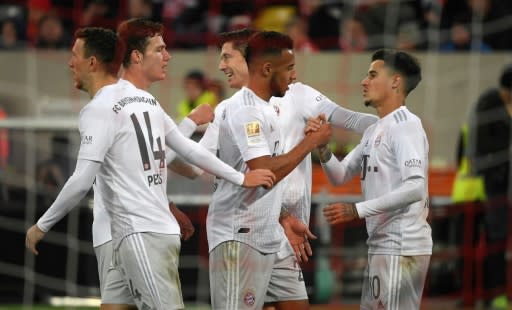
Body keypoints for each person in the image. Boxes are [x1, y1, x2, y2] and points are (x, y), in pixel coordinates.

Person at [25, 21, 275, 309]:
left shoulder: (105, 107)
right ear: (135, 57)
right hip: (134, 231)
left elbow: (88, 178)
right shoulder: (145, 101)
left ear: (92, 62)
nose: (70, 63)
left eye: (74, 56)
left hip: (134, 231)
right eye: (161, 49)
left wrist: (41, 226)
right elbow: (170, 159)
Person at [170, 28, 378, 309]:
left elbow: (347, 119)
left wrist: (391, 121)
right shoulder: (232, 109)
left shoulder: (286, 99)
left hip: (276, 227)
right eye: (290, 67)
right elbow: (204, 168)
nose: (221, 66)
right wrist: (167, 149)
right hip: (242, 232)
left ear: (249, 58)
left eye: (227, 56)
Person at [311, 49, 432, 309]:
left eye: (372, 75)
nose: (364, 82)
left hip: (402, 245)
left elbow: (415, 187)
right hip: (381, 244)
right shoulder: (374, 129)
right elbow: (340, 176)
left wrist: (357, 210)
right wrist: (322, 148)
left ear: (396, 81)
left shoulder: (405, 125)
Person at [466, 64, 512, 309]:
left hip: (498, 187)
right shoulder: (489, 105)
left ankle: (491, 295)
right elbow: (484, 147)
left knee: (497, 241)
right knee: (490, 242)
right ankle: (489, 295)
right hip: (484, 188)